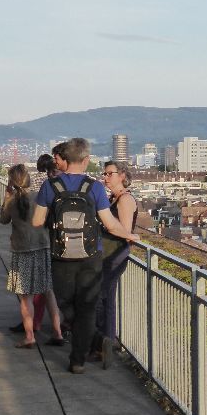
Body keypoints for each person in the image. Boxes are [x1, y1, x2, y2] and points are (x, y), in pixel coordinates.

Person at [32, 138, 138, 374]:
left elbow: (37, 221)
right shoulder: (95, 188)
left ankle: (97, 340)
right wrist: (131, 236)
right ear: (86, 160)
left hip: (61, 254)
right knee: (88, 306)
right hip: (91, 255)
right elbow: (111, 225)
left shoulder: (51, 186)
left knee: (65, 303)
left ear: (65, 159)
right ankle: (78, 359)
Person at [0, 164, 65, 349]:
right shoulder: (39, 197)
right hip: (43, 247)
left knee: (25, 296)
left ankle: (29, 336)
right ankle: (57, 332)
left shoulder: (12, 201)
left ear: (12, 182)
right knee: (48, 290)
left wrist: (6, 197)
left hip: (21, 250)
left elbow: (4, 220)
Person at [92, 160, 137, 368]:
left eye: (110, 174)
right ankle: (105, 342)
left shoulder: (125, 200)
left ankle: (106, 341)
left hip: (114, 255)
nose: (105, 178)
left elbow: (124, 230)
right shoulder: (115, 198)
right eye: (105, 174)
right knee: (105, 298)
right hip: (107, 254)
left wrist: (110, 226)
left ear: (122, 176)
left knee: (102, 297)